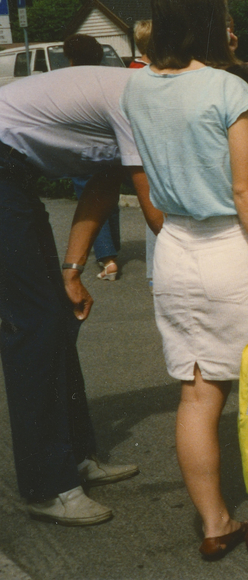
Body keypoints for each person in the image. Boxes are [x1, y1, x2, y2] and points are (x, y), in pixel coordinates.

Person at [122, 0, 248, 559]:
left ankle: (214, 523)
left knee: (198, 392)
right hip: (230, 249)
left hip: (174, 248)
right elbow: (247, 188)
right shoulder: (229, 89)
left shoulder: (135, 87)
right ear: (211, 21)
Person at [0, 62, 161, 526]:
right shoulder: (139, 100)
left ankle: (73, 459)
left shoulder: (142, 95)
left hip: (12, 173)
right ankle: (47, 487)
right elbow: (155, 216)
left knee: (55, 318)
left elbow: (104, 185)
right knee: (34, 326)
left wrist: (72, 271)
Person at [62, 34, 122, 281]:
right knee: (109, 194)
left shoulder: (69, 80)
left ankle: (107, 259)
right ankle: (111, 250)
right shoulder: (108, 77)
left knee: (90, 199)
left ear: (72, 58)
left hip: (85, 147)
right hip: (111, 144)